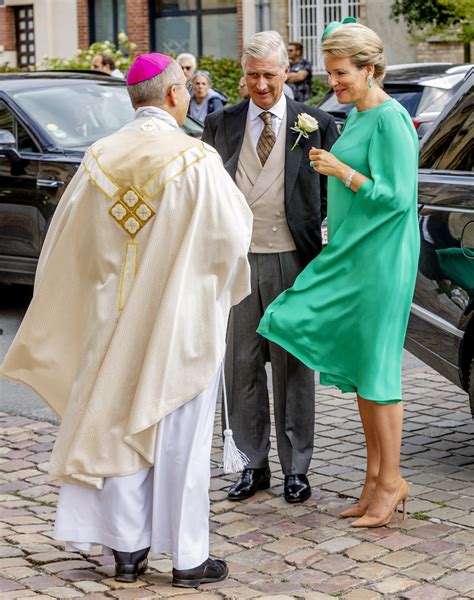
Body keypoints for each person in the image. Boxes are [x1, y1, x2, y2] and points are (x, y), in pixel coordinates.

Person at [0, 53, 253, 585]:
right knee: (179, 441)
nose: (186, 92)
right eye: (183, 86)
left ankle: (126, 552)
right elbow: (230, 237)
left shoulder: (98, 158)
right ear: (171, 96)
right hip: (177, 323)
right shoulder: (195, 159)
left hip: (111, 320)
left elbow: (68, 245)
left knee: (115, 427)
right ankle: (187, 560)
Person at [258, 19, 419, 527]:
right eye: (330, 74)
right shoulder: (359, 117)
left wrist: (341, 172)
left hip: (381, 259)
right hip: (354, 255)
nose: (334, 83)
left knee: (377, 371)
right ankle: (374, 481)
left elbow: (398, 198)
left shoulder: (391, 119)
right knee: (361, 372)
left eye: (341, 73)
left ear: (370, 69)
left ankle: (391, 482)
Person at [202, 31, 338, 504]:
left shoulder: (316, 123)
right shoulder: (222, 123)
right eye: (252, 75)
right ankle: (251, 464)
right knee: (240, 365)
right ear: (244, 75)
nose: (260, 85)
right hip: (237, 262)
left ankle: (296, 467)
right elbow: (207, 190)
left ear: (286, 73)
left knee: (293, 365)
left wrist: (319, 248)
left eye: (269, 75)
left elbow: (328, 197)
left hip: (293, 260)